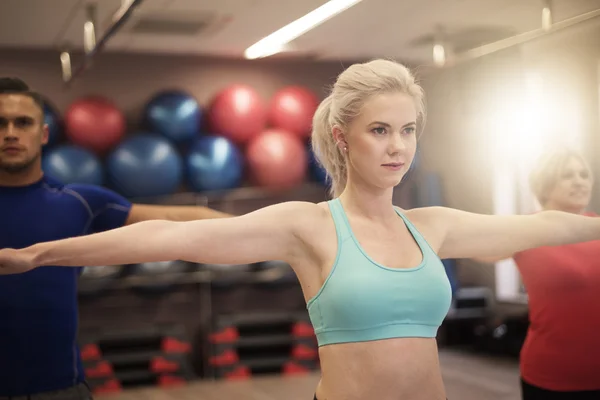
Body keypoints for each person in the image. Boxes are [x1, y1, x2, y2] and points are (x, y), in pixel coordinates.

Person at [1, 60, 600, 400]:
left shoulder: (434, 227)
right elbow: (164, 238)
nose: (398, 147)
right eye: (379, 130)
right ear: (342, 137)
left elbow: (544, 223)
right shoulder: (307, 226)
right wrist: (38, 254)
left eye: (408, 129)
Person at [0, 77, 233, 399]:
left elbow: (174, 218)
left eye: (22, 122)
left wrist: (271, 227)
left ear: (43, 134)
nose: (10, 132)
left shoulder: (77, 201)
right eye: (0, 123)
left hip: (59, 388)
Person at [476, 149, 600, 400]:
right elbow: (476, 249)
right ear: (544, 184)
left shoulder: (595, 226)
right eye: (567, 175)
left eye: (584, 174)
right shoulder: (528, 229)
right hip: (552, 375)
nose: (579, 181)